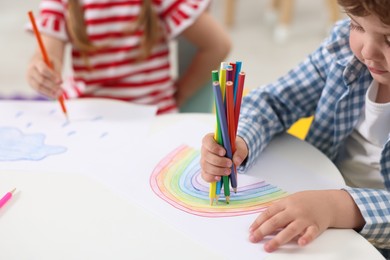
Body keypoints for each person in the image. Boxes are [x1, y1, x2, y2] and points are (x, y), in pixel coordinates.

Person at [200, 0, 390, 256]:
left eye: (388, 39)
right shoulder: (342, 49)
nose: (368, 51)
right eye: (357, 26)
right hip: (317, 205)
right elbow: (275, 101)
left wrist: (338, 206)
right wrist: (241, 140)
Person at [26, 0, 230, 114]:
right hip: (85, 116)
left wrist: (183, 93)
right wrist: (40, 68)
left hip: (153, 116)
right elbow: (49, 56)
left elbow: (218, 45)